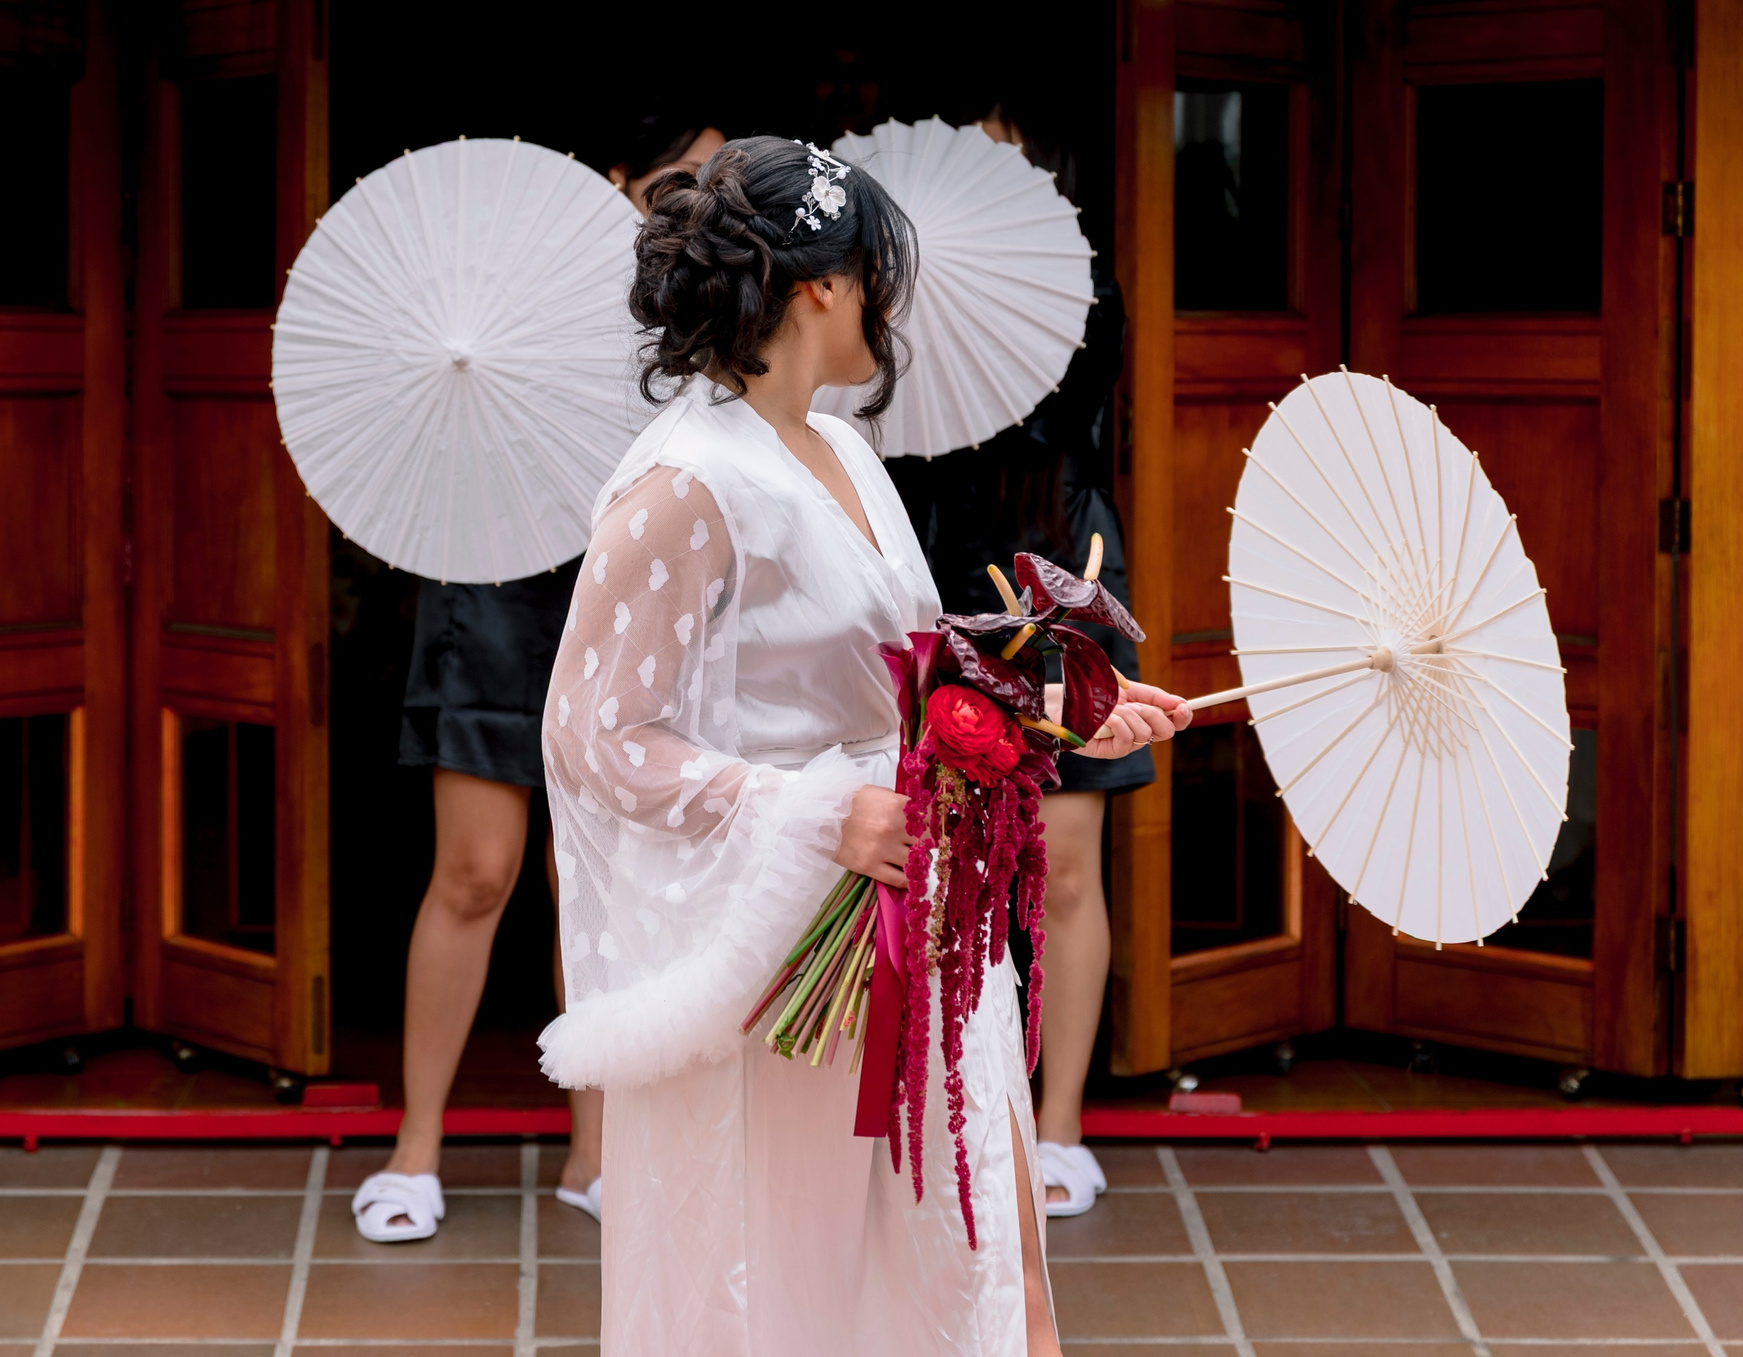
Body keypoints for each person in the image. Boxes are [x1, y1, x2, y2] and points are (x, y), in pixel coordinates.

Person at [537, 137, 1188, 1355]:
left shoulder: (836, 446)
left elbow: (906, 664)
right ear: (821, 287)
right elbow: (592, 735)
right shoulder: (685, 480)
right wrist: (809, 811)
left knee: (984, 1260)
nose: (891, 304)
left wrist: (1060, 700)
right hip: (799, 958)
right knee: (801, 1275)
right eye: (876, 275)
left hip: (920, 910)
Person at [351, 118, 724, 1245]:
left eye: (710, 189)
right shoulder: (511, 285)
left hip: (624, 586)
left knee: (596, 877)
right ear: (615, 178)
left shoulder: (697, 307)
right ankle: (417, 1145)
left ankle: (597, 1153)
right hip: (495, 580)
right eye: (674, 182)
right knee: (475, 868)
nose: (690, 207)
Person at [886, 97, 1152, 1220]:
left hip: (1061, 554)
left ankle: (1060, 1124)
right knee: (933, 834)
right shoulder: (893, 294)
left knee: (1071, 851)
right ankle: (936, 1102)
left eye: (1005, 164)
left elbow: (1087, 423)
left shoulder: (1085, 289)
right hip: (935, 555)